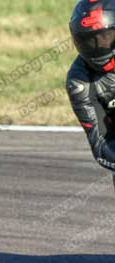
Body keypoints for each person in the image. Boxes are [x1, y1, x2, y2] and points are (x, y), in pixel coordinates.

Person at [67, 0, 115, 182]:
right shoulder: (79, 83)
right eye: (88, 40)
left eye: (106, 36)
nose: (97, 46)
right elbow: (101, 146)